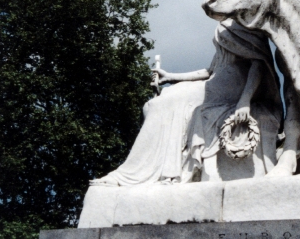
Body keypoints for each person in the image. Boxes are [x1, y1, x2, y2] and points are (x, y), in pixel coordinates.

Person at [90, 20, 282, 185]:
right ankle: (151, 170)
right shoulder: (224, 24)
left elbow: (259, 64)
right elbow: (211, 70)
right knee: (161, 100)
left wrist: (245, 100)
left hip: (235, 84)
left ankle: (138, 174)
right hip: (217, 81)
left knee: (170, 101)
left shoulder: (246, 22)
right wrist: (171, 76)